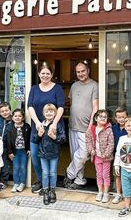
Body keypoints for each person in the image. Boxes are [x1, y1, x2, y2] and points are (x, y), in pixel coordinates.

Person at [28, 65, 65, 193]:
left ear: (51, 74)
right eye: (43, 73)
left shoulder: (57, 88)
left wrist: (54, 123)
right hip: (37, 127)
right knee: (34, 155)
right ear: (39, 74)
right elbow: (30, 107)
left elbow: (60, 107)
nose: (45, 75)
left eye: (48, 73)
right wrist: (38, 123)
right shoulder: (34, 89)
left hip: (52, 129)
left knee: (51, 156)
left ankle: (51, 186)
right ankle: (41, 180)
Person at [64, 61, 99, 189]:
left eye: (83, 71)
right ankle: (79, 180)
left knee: (83, 154)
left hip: (86, 127)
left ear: (88, 70)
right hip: (73, 125)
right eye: (78, 72)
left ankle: (69, 174)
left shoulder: (95, 85)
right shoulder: (74, 86)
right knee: (75, 154)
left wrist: (91, 126)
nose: (80, 74)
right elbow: (73, 104)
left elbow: (95, 107)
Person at [35, 104, 66, 205]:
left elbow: (63, 139)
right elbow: (36, 139)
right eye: (47, 111)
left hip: (54, 152)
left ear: (55, 113)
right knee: (45, 172)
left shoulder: (58, 125)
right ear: (43, 113)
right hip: (43, 153)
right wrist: (38, 135)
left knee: (52, 172)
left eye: (51, 111)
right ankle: (45, 190)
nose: (49, 113)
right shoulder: (41, 125)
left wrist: (54, 137)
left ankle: (52, 190)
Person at [86, 109, 114, 203]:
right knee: (99, 174)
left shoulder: (108, 129)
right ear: (96, 118)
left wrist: (106, 154)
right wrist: (91, 150)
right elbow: (88, 140)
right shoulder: (92, 129)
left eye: (105, 117)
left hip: (106, 157)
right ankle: (100, 192)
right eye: (101, 116)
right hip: (97, 156)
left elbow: (111, 143)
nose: (103, 118)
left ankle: (106, 193)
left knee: (105, 175)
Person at [6, 109, 31, 193]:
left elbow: (29, 139)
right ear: (12, 118)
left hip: (23, 151)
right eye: (15, 116)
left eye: (19, 116)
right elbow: (8, 141)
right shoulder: (10, 128)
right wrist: (9, 152)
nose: (17, 117)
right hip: (15, 151)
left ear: (23, 118)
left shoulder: (27, 127)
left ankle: (22, 183)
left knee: (23, 168)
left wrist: (29, 149)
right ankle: (16, 183)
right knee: (16, 168)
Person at [111, 107, 128, 204]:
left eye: (123, 117)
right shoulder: (113, 128)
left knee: (126, 175)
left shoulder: (129, 128)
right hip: (116, 156)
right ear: (115, 118)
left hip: (128, 156)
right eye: (119, 117)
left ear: (127, 117)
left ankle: (127, 194)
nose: (121, 119)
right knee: (117, 175)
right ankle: (118, 194)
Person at [0, 102, 13, 189]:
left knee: (5, 165)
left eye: (6, 110)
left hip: (7, 147)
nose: (5, 113)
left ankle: (3, 181)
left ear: (10, 110)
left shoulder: (13, 121)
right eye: (2, 111)